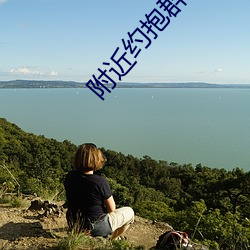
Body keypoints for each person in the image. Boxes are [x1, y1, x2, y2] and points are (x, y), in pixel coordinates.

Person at [64, 143, 134, 239]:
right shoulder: (100, 182)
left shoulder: (70, 176)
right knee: (130, 212)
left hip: (74, 225)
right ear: (97, 160)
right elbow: (112, 209)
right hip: (95, 227)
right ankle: (112, 239)